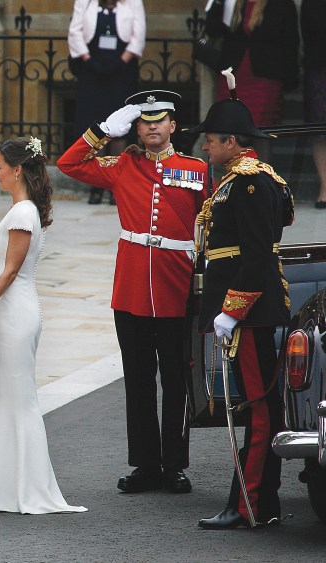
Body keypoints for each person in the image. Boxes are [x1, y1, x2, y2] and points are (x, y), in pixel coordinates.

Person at [57, 90, 207, 495]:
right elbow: (68, 163)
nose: (152, 126)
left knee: (176, 381)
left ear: (173, 125)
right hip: (132, 287)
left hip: (176, 284)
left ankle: (174, 464)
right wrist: (103, 131)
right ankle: (145, 464)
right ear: (136, 128)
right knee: (139, 380)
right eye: (144, 121)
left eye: (159, 120)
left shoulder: (196, 169)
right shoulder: (123, 165)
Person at [0, 137, 87, 514]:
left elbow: (11, 271)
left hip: (18, 313)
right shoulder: (24, 211)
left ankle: (27, 489)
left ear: (17, 170)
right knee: (3, 398)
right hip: (15, 312)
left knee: (19, 400)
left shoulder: (23, 214)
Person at [194, 70, 291, 530]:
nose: (205, 149)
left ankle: (250, 502)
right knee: (256, 407)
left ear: (232, 142)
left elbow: (254, 255)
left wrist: (231, 312)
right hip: (248, 309)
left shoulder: (249, 183)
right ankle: (260, 500)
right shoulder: (248, 176)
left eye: (211, 141)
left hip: (248, 312)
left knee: (255, 409)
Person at [68, 0, 145, 205]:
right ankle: (97, 184)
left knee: (120, 124)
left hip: (121, 72)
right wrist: (88, 60)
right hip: (92, 72)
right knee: (95, 124)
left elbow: (138, 36)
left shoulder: (132, 3)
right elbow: (75, 31)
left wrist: (121, 62)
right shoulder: (85, 3)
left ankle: (115, 183)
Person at [204, 0, 299, 159]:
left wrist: (290, 79)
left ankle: (260, 180)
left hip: (264, 80)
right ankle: (233, 180)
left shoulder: (282, 4)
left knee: (260, 133)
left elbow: (290, 43)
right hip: (233, 78)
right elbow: (213, 30)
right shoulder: (232, 3)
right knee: (229, 134)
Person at [301, 0, 326, 208]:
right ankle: (325, 188)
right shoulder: (312, 3)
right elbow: (307, 33)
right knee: (319, 130)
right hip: (319, 70)